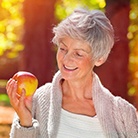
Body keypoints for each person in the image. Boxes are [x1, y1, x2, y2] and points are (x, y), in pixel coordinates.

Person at [6, 7, 138, 138]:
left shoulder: (124, 114)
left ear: (99, 58)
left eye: (78, 54)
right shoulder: (36, 102)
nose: (66, 59)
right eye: (63, 48)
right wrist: (25, 123)